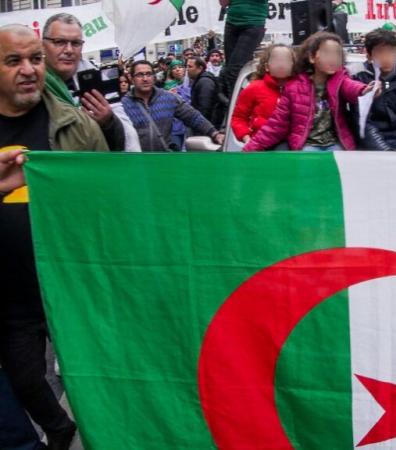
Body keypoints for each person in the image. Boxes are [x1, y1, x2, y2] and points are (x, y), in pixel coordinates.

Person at [0, 24, 109, 450]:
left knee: (97, 378)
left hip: (72, 288)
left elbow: (106, 204)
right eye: (14, 61)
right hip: (13, 298)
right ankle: (58, 428)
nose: (29, 70)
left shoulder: (75, 127)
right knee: (28, 380)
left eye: (35, 60)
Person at [243, 32, 373, 152]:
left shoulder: (342, 79)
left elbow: (352, 88)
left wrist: (364, 90)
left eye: (337, 54)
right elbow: (276, 124)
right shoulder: (293, 88)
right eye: (327, 53)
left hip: (336, 144)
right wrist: (251, 148)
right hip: (307, 146)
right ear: (311, 57)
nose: (333, 58)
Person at [41, 13, 137, 151]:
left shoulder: (100, 78)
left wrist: (109, 122)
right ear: (43, 45)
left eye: (75, 43)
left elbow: (127, 140)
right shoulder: (32, 82)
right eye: (59, 42)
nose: (68, 50)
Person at [121, 61, 224, 151]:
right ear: (132, 79)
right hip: (137, 162)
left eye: (149, 74)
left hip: (164, 160)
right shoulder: (124, 104)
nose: (145, 78)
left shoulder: (168, 98)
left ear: (154, 76)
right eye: (139, 75)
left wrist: (214, 133)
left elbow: (193, 117)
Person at [351, 28, 396, 151]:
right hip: (371, 150)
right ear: (369, 55)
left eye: (390, 51)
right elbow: (362, 121)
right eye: (380, 52)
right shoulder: (358, 77)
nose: (386, 57)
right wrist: (385, 154)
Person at [231, 44, 295, 143]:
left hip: (292, 148)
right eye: (276, 60)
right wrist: (246, 137)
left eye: (286, 60)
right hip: (260, 145)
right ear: (267, 67)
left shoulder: (301, 90)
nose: (281, 64)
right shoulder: (254, 88)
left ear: (293, 65)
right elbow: (238, 117)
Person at [219, 0, 268, 99]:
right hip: (231, 22)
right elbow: (223, 3)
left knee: (234, 70)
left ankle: (238, 107)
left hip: (253, 23)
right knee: (229, 69)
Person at [187, 57, 221, 125]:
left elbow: (205, 108)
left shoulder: (205, 82)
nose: (187, 69)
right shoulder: (200, 80)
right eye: (187, 66)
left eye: (190, 67)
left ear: (200, 68)